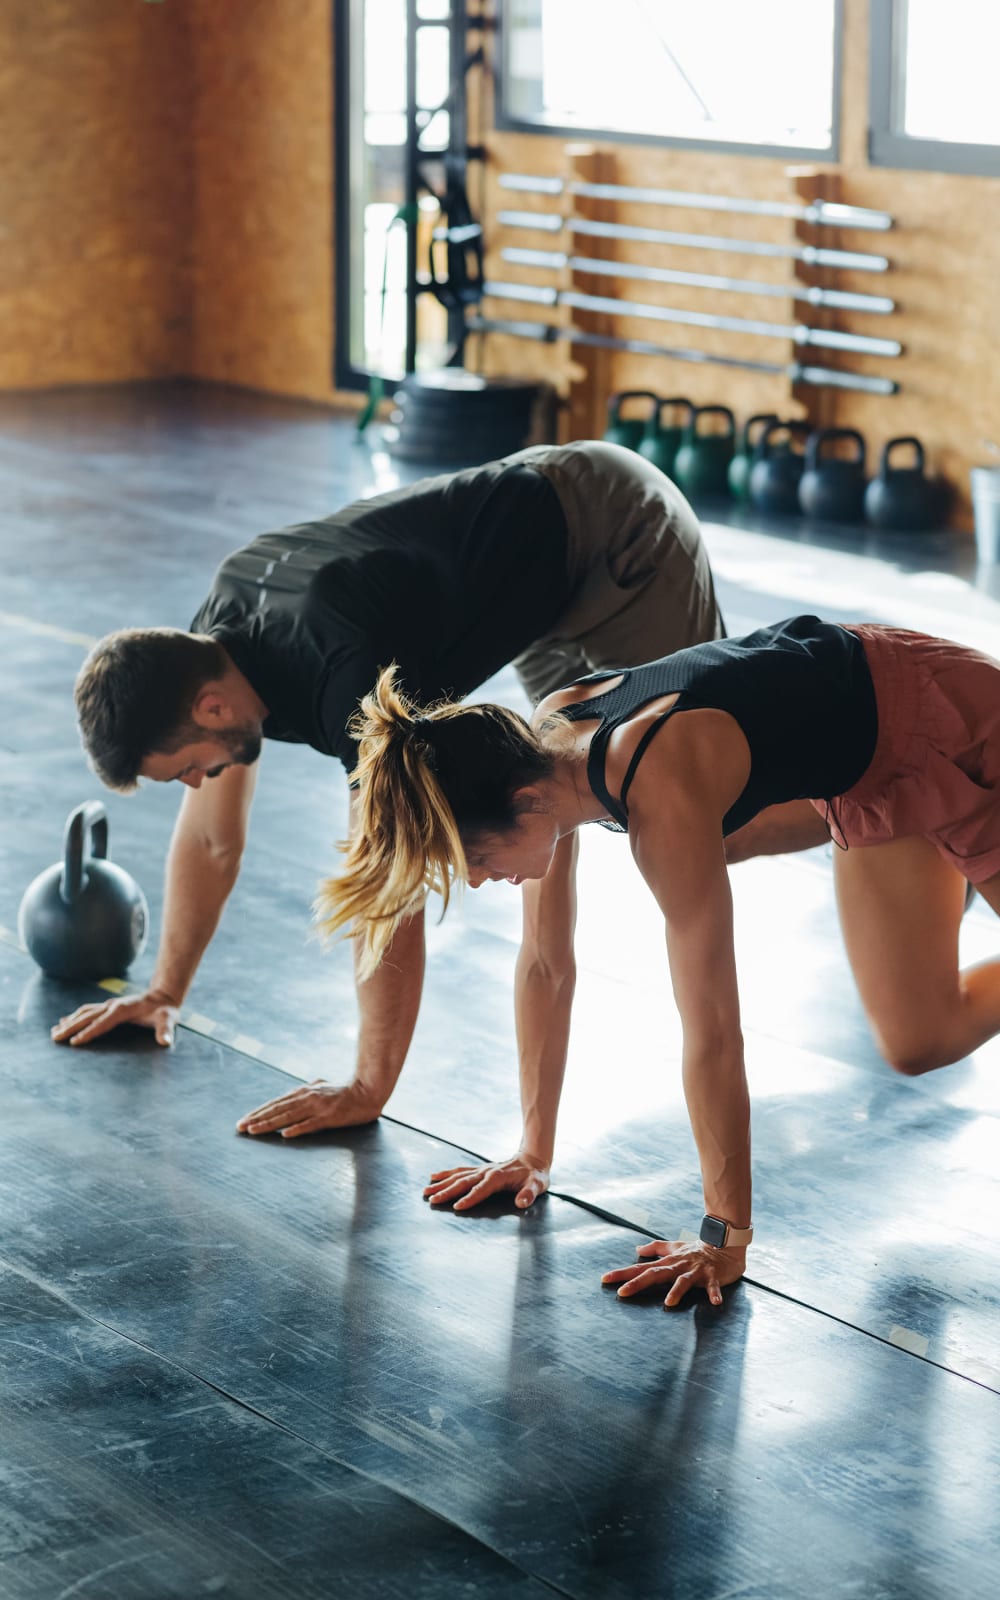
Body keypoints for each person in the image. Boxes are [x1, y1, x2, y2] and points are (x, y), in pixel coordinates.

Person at [51, 441, 726, 1142]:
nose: (197, 782)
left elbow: (388, 879)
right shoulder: (211, 658)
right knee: (559, 793)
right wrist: (166, 992)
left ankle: (850, 781)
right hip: (541, 576)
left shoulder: (346, 671)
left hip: (613, 528)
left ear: (211, 709)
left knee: (712, 811)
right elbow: (210, 836)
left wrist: (368, 1087)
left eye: (186, 767)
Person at [320, 615, 1000, 1309]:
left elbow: (714, 1030)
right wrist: (532, 1153)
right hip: (859, 774)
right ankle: (954, 879)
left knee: (710, 854)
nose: (474, 880)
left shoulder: (658, 789)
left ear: (523, 806)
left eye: (477, 859)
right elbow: (545, 966)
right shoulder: (549, 741)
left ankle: (961, 869)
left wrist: (722, 1238)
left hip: (949, 720)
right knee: (920, 1040)